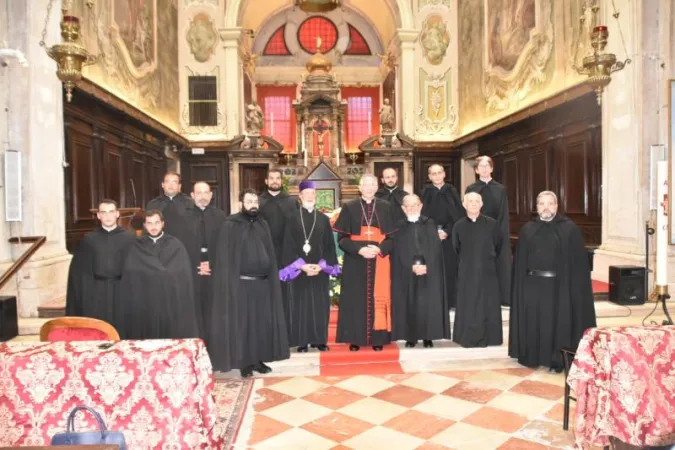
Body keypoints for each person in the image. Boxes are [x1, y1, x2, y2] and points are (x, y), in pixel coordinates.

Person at [509, 191, 597, 371]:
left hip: (560, 287)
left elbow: (578, 265)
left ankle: (557, 358)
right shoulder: (527, 230)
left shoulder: (569, 229)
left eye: (550, 203)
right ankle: (533, 356)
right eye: (542, 204)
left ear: (557, 206)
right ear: (536, 207)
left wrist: (573, 290)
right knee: (534, 324)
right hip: (533, 286)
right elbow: (520, 264)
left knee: (559, 323)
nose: (546, 208)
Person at [207, 189, 290, 377]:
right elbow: (224, 257)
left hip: (262, 284)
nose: (253, 204)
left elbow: (270, 253)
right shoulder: (231, 225)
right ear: (240, 204)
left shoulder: (263, 224)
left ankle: (258, 360)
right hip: (240, 285)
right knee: (243, 325)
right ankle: (244, 362)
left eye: (255, 201)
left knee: (261, 324)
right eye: (249, 201)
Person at [333, 174, 396, 351]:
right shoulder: (349, 207)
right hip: (355, 261)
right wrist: (359, 250)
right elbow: (342, 239)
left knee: (378, 298)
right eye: (366, 185)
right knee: (355, 299)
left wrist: (379, 249)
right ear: (360, 187)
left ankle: (378, 338)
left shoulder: (386, 206)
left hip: (379, 260)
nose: (369, 188)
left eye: (373, 185)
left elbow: (392, 238)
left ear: (377, 187)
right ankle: (355, 338)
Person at [118, 210, 199, 340]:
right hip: (145, 299)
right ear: (144, 225)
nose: (153, 227)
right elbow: (131, 272)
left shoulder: (175, 244)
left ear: (163, 224)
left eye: (156, 223)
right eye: (149, 223)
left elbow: (182, 274)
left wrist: (158, 274)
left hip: (168, 298)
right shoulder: (137, 245)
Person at [279, 181, 340, 352]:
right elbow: (288, 246)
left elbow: (329, 245)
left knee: (320, 306)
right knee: (301, 306)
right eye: (306, 193)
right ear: (300, 196)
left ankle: (320, 340)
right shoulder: (291, 218)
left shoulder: (322, 219)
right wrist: (301, 266)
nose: (310, 197)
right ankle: (303, 341)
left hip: (319, 270)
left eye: (312, 194)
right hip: (300, 271)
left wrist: (322, 266)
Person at [383, 194, 450, 348]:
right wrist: (410, 265)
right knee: (409, 302)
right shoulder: (398, 226)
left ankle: (428, 336)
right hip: (405, 270)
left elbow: (435, 248)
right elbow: (398, 250)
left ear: (420, 206)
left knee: (427, 303)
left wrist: (427, 265)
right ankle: (410, 336)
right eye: (408, 205)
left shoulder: (429, 223)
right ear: (403, 208)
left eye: (415, 205)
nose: (412, 208)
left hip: (428, 270)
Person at [451, 192, 510, 347]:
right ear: (464, 205)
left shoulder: (492, 224)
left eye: (477, 201)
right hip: (466, 271)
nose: (474, 204)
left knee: (487, 302)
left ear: (481, 204)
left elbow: (498, 245)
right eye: (470, 201)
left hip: (487, 270)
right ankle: (467, 337)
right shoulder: (458, 225)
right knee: (468, 303)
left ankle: (490, 337)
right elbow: (455, 248)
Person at [65, 199, 136, 326]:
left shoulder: (129, 239)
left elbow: (137, 267)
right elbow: (79, 271)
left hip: (122, 290)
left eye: (111, 212)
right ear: (98, 216)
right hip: (97, 291)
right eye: (103, 212)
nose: (108, 216)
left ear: (117, 214)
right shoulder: (89, 239)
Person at [179, 181, 228, 339]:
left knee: (215, 307)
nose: (202, 196)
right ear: (192, 195)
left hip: (215, 269)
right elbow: (181, 246)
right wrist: (195, 265)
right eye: (198, 193)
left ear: (211, 195)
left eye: (205, 192)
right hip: (191, 270)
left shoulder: (221, 216)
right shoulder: (183, 216)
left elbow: (225, 245)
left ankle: (215, 340)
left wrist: (211, 264)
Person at [420, 163, 464, 308]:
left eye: (439, 173)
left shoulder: (452, 191)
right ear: (429, 177)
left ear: (444, 174)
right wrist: (434, 232)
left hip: (449, 237)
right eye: (434, 173)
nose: (437, 176)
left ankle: (451, 301)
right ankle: (434, 301)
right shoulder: (425, 192)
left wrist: (447, 231)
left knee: (450, 268)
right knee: (433, 268)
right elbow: (421, 216)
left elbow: (458, 215)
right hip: (430, 237)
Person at [465, 155, 511, 262]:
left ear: (491, 168)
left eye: (487, 166)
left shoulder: (500, 189)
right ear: (476, 170)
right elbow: (467, 212)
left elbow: (503, 213)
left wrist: (498, 233)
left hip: (495, 232)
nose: (484, 169)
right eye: (481, 166)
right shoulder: (471, 188)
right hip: (476, 231)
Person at [259, 168, 297, 266]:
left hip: (287, 250)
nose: (274, 181)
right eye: (271, 178)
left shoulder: (292, 202)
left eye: (277, 178)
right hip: (264, 250)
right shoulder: (258, 202)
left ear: (281, 181)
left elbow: (297, 226)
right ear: (266, 181)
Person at [145, 171, 194, 243]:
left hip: (184, 245)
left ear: (179, 186)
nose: (171, 185)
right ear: (162, 185)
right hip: (159, 245)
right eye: (167, 182)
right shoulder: (153, 204)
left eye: (174, 182)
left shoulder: (190, 203)